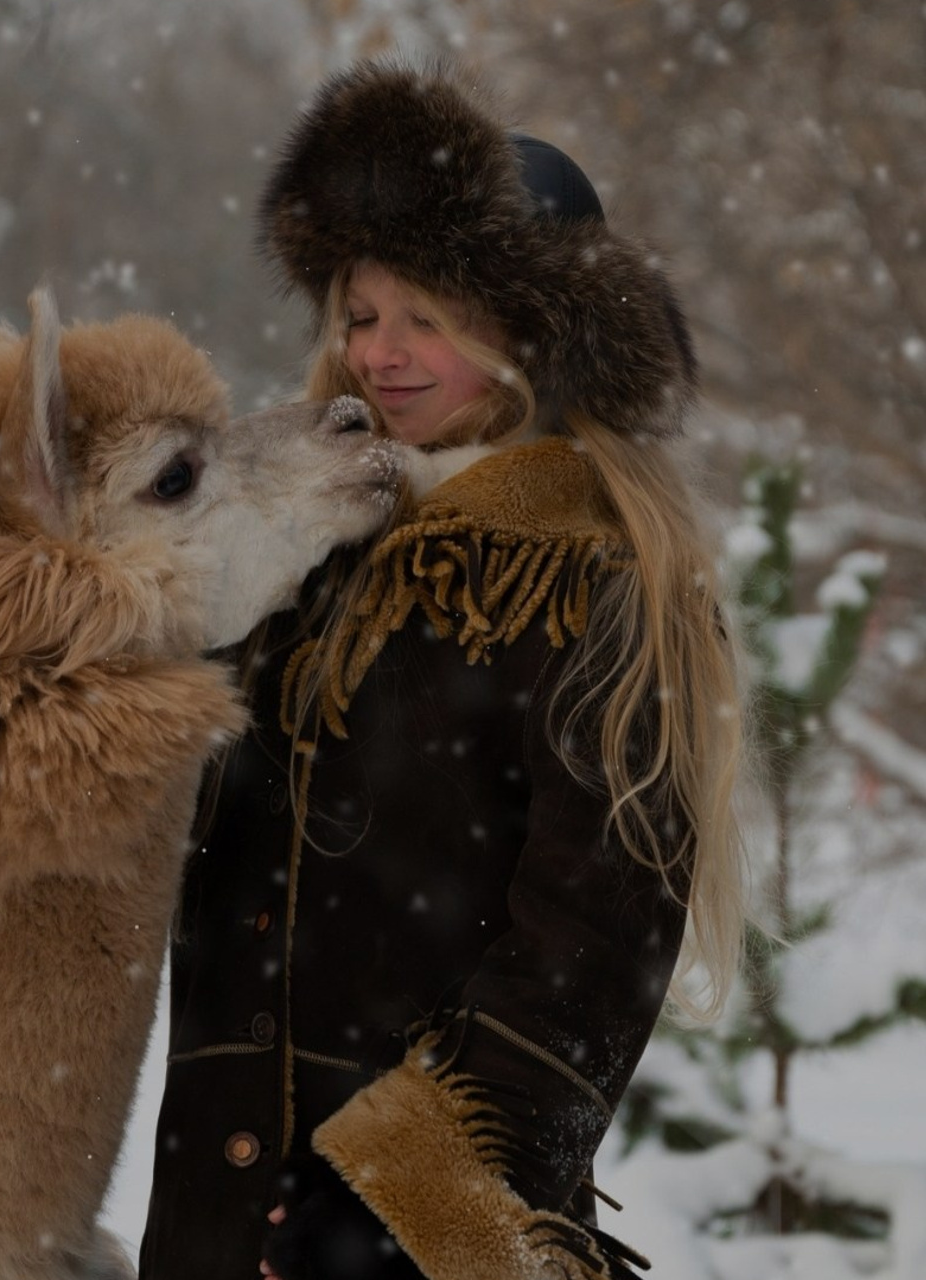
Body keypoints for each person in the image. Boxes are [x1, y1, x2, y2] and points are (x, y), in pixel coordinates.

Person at [138, 58, 747, 1280]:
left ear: (529, 330)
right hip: (209, 1213)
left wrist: (393, 1197)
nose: (382, 352)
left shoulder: (592, 578)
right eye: (361, 315)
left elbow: (594, 937)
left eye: (428, 317)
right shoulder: (291, 555)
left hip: (417, 1239)